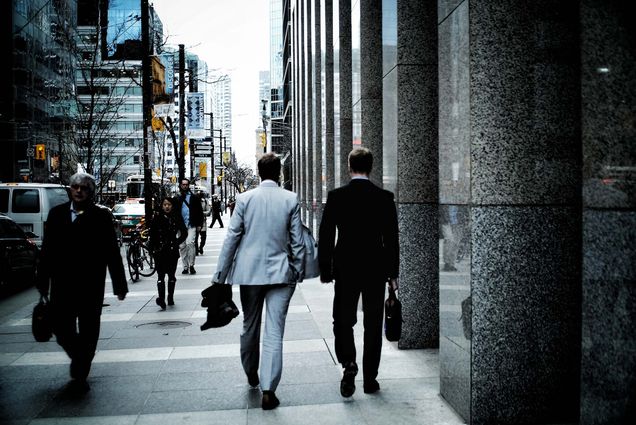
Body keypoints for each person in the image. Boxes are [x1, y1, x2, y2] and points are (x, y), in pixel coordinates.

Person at [212, 153, 304, 410]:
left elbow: (232, 237)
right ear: (279, 173)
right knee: (274, 330)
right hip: (281, 274)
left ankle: (251, 371)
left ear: (259, 172)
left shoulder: (244, 199)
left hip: (249, 274)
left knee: (249, 324)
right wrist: (297, 268)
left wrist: (220, 276)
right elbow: (296, 241)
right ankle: (268, 389)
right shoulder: (290, 199)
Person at [36, 173, 128, 394]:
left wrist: (119, 284)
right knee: (62, 329)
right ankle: (79, 356)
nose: (78, 191)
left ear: (91, 191)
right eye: (75, 187)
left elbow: (112, 253)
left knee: (89, 330)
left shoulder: (101, 217)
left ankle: (81, 368)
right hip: (62, 285)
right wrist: (42, 279)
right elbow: (47, 250)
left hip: (90, 285)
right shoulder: (57, 214)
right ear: (70, 189)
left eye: (84, 188)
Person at [318, 147, 399, 398]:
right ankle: (370, 378)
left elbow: (326, 235)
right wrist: (393, 273)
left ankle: (348, 363)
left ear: (349, 166)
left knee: (343, 319)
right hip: (375, 268)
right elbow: (392, 240)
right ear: (371, 167)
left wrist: (325, 269)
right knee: (373, 323)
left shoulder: (336, 196)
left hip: (346, 267)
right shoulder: (384, 198)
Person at [149, 196, 187, 309]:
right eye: (165, 204)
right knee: (160, 276)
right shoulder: (157, 218)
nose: (167, 207)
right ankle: (161, 299)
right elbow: (152, 234)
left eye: (169, 204)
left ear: (172, 206)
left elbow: (184, 233)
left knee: (171, 275)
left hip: (171, 251)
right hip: (160, 251)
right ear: (162, 206)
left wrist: (176, 242)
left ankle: (170, 297)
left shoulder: (176, 217)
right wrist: (153, 249)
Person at [177, 178, 204, 274]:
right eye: (183, 184)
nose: (185, 186)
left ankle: (191, 265)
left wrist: (200, 224)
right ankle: (185, 266)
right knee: (182, 246)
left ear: (188, 186)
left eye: (186, 184)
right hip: (181, 227)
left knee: (190, 243)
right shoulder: (178, 198)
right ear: (180, 185)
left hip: (191, 225)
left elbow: (200, 212)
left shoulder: (194, 198)